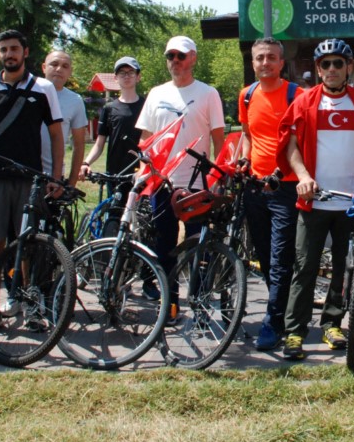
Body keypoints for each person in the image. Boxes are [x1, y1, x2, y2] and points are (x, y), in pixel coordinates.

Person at [277, 38, 354, 361]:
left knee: (344, 268)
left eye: (339, 63)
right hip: (313, 201)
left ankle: (332, 323)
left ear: (350, 67)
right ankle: (295, 331)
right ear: (318, 69)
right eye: (326, 64)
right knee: (304, 267)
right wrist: (303, 176)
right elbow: (290, 145)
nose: (332, 69)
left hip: (350, 202)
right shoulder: (305, 102)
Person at [0, 29, 64, 318]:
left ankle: (31, 308)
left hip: (29, 181)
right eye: (4, 49)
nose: (10, 54)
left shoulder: (43, 88)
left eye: (14, 49)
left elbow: (57, 135)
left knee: (29, 247)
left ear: (25, 52)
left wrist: (56, 177)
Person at [135, 35, 225, 301]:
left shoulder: (208, 93)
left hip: (198, 183)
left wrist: (218, 176)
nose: (175, 61)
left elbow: (219, 141)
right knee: (164, 246)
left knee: (199, 248)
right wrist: (144, 169)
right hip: (163, 181)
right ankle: (170, 304)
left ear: (193, 58)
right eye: (170, 56)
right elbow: (146, 138)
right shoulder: (156, 93)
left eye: (181, 56)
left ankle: (199, 304)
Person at [238, 37, 301, 351]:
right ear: (253, 63)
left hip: (285, 187)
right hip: (254, 186)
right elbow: (248, 136)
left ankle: (273, 322)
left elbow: (303, 140)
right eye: (260, 58)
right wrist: (244, 160)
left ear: (281, 62)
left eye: (271, 58)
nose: (265, 63)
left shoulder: (296, 95)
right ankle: (282, 309)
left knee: (280, 258)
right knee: (263, 256)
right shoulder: (247, 95)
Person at [80, 56, 146, 236]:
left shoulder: (147, 105)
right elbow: (99, 144)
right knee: (114, 220)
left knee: (140, 221)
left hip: (140, 174)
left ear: (138, 77)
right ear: (115, 78)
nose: (127, 76)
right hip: (115, 174)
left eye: (131, 72)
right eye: (122, 73)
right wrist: (86, 163)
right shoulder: (109, 108)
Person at [40, 50, 89, 187]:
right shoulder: (29, 93)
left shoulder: (75, 100)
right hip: (24, 175)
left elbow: (79, 145)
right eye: (54, 64)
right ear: (44, 67)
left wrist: (71, 183)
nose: (59, 69)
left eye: (65, 66)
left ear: (70, 71)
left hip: (53, 177)